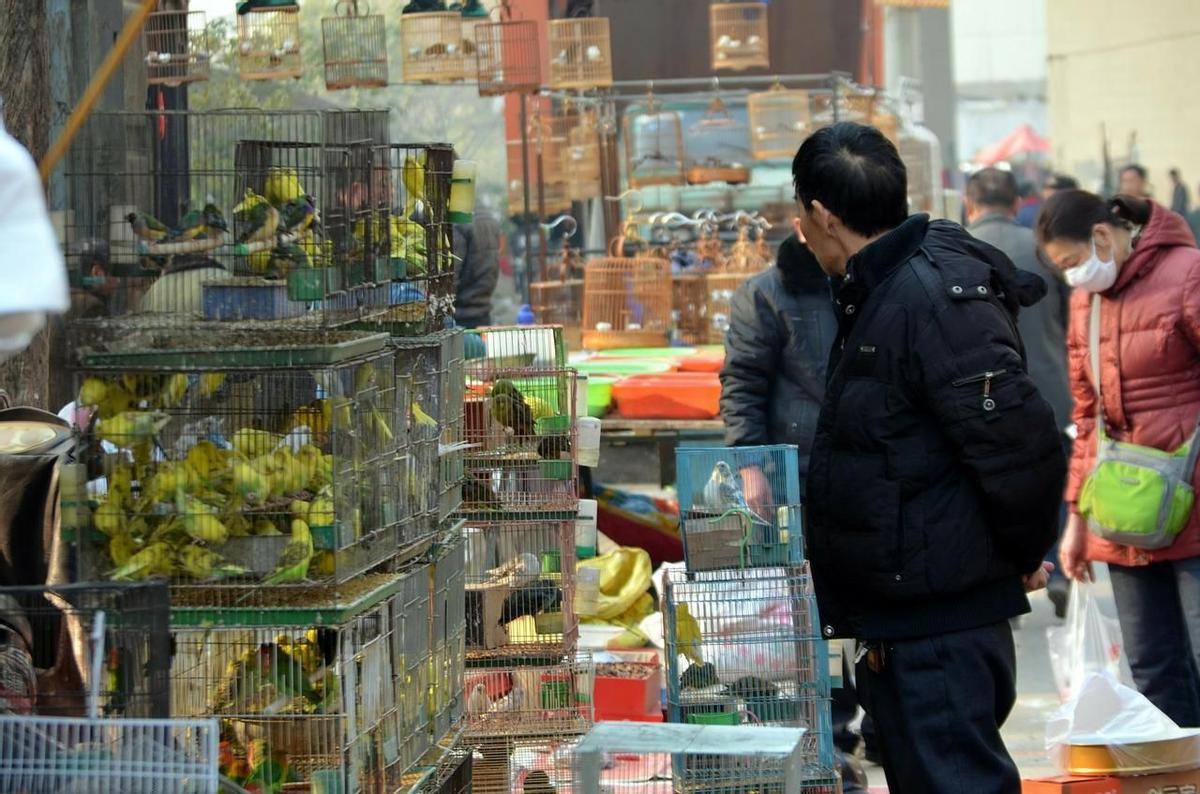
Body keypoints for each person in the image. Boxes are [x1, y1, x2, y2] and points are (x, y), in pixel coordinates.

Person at [795, 122, 1067, 793]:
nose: (798, 230)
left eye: (800, 213)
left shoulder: (931, 297)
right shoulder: (881, 287)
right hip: (906, 614)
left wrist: (1019, 555)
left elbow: (1022, 448)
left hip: (940, 623)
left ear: (823, 216)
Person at [1037, 190, 1200, 728]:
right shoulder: (1088, 299)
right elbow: (1087, 416)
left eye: (1070, 262)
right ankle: (1174, 777)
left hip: (1194, 496)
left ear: (1102, 238)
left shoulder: (1187, 273)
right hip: (1122, 508)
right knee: (1151, 666)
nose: (1070, 277)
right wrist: (1076, 521)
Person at [720, 230, 876, 762]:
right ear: (808, 222)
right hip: (799, 474)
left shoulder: (869, 278)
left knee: (876, 604)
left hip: (870, 469)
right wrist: (751, 465)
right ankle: (828, 732)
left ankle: (877, 724)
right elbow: (742, 383)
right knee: (816, 613)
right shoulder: (766, 294)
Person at [966, 167, 1074, 617]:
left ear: (969, 205)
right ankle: (1061, 570)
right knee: (1055, 481)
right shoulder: (1044, 248)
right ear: (1016, 204)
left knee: (991, 489)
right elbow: (1070, 320)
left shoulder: (952, 250)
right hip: (1049, 384)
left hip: (983, 394)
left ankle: (1003, 584)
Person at [452, 208, 502, 329]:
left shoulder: (460, 223)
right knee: (478, 346)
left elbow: (453, 271)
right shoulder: (490, 220)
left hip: (460, 314)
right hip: (483, 309)